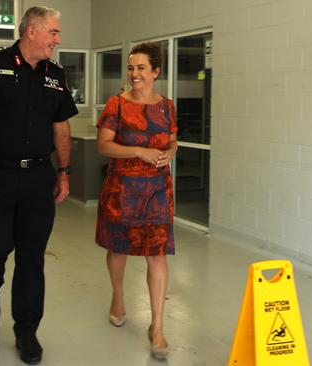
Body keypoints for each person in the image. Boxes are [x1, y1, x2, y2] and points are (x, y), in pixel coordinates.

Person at [0, 6, 77, 365]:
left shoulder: (55, 74)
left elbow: (62, 126)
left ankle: (26, 330)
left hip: (39, 177)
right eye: (53, 32)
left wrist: (65, 171)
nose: (57, 39)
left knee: (31, 257)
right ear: (32, 31)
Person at [95, 42, 178, 360]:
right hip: (121, 191)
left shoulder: (167, 107)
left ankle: (157, 327)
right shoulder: (116, 105)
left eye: (141, 68)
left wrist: (170, 152)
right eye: (131, 67)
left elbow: (171, 139)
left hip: (157, 192)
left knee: (157, 256)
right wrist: (139, 151)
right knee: (118, 248)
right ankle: (118, 297)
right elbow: (104, 145)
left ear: (156, 72)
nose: (134, 74)